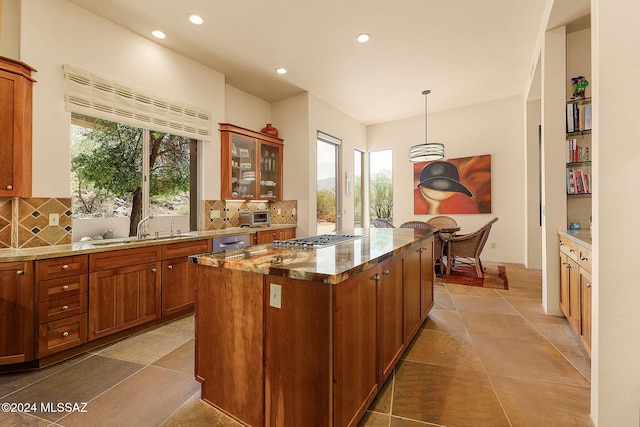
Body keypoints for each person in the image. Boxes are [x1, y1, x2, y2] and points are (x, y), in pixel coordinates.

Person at [414, 161, 479, 214]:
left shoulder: (465, 203)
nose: (440, 191)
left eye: (446, 187)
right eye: (433, 187)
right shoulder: (412, 199)